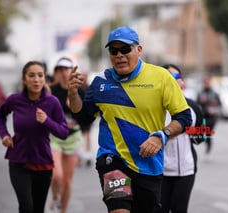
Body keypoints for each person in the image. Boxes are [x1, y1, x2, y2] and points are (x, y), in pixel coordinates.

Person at [67, 26, 192, 213]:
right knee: (119, 209)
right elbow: (83, 117)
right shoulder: (101, 81)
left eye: (125, 49)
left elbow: (184, 117)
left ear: (138, 50)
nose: (119, 55)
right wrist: (73, 94)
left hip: (148, 165)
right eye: (114, 51)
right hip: (112, 160)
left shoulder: (161, 78)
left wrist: (161, 136)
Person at [0, 61, 70, 213]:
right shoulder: (15, 100)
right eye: (31, 75)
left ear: (44, 78)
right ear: (24, 79)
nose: (36, 80)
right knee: (26, 207)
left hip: (43, 162)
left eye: (40, 75)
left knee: (37, 209)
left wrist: (47, 121)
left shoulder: (52, 102)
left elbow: (63, 132)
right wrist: (4, 135)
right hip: (18, 161)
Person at [158, 64, 204, 213]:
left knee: (180, 209)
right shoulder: (154, 107)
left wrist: (190, 131)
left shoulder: (193, 107)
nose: (171, 79)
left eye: (175, 77)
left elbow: (200, 136)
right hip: (160, 171)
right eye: (167, 76)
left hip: (185, 170)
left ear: (182, 82)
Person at [49, 57, 83, 213]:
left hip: (73, 138)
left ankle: (63, 210)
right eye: (60, 70)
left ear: (72, 71)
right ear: (56, 72)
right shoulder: (51, 90)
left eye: (67, 69)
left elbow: (88, 114)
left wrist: (78, 118)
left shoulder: (80, 89)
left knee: (67, 182)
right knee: (56, 176)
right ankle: (55, 195)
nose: (64, 73)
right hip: (55, 136)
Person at [196, 75, 221, 154]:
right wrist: (201, 102)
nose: (206, 84)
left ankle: (209, 145)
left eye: (208, 82)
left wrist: (215, 109)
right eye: (205, 82)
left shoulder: (214, 94)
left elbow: (219, 105)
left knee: (208, 132)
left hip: (212, 117)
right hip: (203, 116)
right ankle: (207, 142)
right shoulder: (200, 93)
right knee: (204, 133)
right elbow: (196, 105)